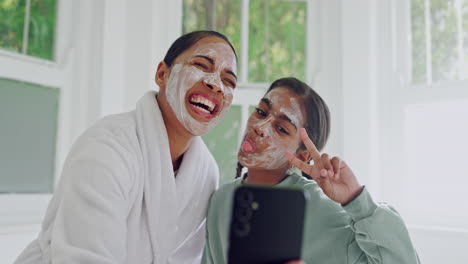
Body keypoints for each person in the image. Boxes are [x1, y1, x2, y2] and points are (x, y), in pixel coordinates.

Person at [14, 30, 238, 264]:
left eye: (229, 80)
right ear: (162, 74)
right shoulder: (108, 146)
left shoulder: (205, 173)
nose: (216, 85)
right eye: (202, 65)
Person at [202, 77, 420, 263]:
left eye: (281, 128)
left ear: (302, 155)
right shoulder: (220, 199)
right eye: (261, 111)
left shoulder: (324, 211)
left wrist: (356, 200)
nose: (259, 127)